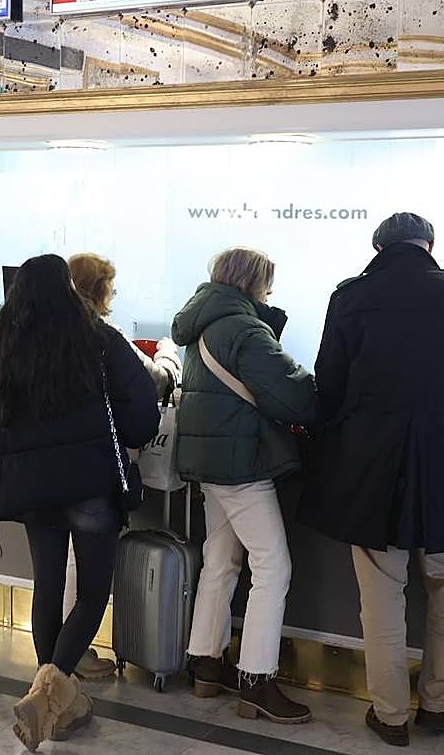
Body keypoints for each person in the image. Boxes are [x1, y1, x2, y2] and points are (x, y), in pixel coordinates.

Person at [307, 213, 444, 747]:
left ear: (377, 246)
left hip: (371, 466)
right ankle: (440, 703)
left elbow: (326, 385)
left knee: (381, 592)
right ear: (431, 244)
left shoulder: (349, 297)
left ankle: (390, 713)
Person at [0, 254, 159, 751]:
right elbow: (140, 414)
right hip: (89, 485)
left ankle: (51, 696)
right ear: (68, 289)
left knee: (48, 586)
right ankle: (50, 693)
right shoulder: (98, 340)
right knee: (90, 594)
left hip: (30, 491)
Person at [172, 248, 321, 724]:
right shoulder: (243, 329)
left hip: (207, 462)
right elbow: (293, 392)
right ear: (254, 284)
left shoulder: (199, 325)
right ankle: (256, 678)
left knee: (221, 559)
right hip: (242, 464)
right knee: (273, 566)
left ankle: (206, 664)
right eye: (267, 285)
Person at [65, 252, 180, 679]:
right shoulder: (104, 333)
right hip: (95, 463)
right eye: (110, 286)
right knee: (89, 572)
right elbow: (152, 380)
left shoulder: (40, 333)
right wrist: (169, 353)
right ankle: (71, 657)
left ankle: (59, 657)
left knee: (61, 563)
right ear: (99, 291)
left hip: (50, 467)